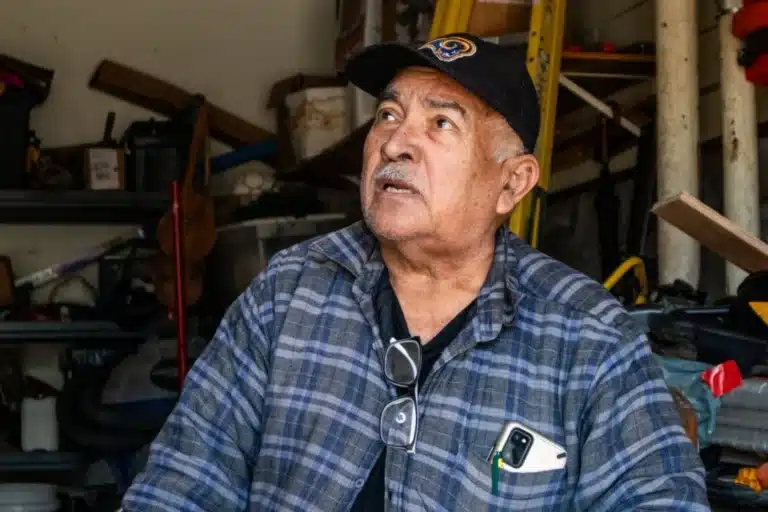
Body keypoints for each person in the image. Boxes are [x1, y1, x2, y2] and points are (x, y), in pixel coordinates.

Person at [120, 33, 710, 511]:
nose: (396, 142)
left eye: (441, 124)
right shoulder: (290, 292)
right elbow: (184, 478)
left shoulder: (589, 339)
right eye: (388, 114)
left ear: (512, 182)